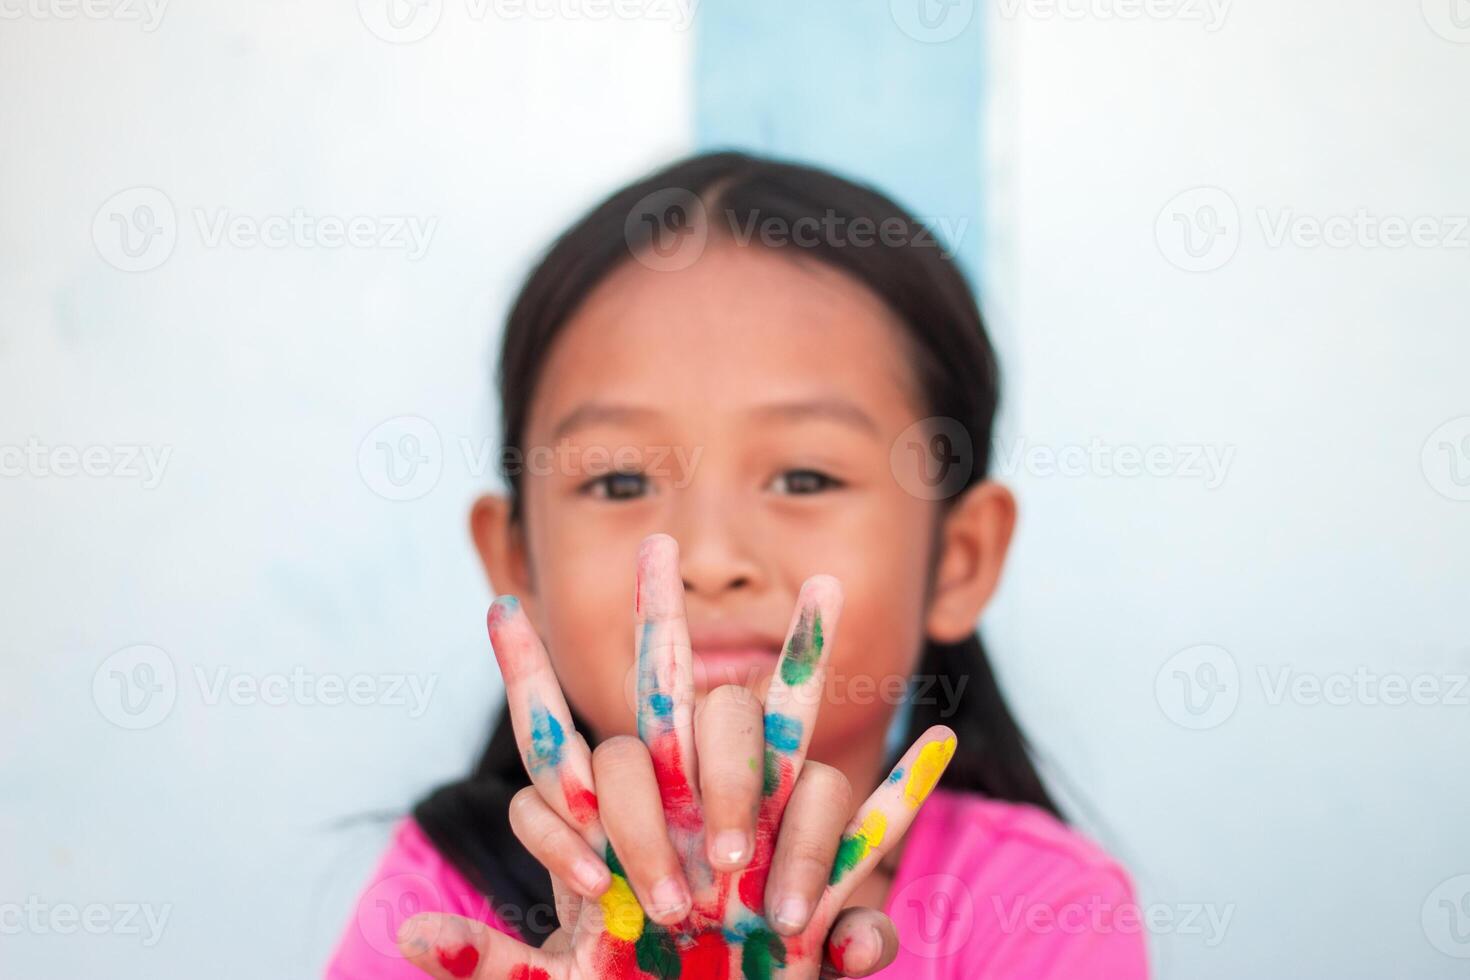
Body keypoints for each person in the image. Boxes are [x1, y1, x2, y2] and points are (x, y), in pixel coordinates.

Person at [326, 151, 1148, 979]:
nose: (709, 560)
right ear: (518, 563)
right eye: (619, 481)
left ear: (958, 560)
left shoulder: (1042, 909)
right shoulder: (441, 902)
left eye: (805, 477)